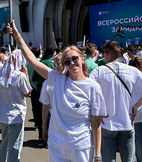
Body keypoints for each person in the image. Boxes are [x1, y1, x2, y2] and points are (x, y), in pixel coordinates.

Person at [8, 20, 106, 162]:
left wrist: (97, 154)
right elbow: (33, 61)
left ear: (82, 59)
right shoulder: (57, 79)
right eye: (67, 61)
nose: (72, 63)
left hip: (81, 146)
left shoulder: (93, 87)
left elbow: (96, 123)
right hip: (57, 144)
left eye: (75, 58)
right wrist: (18, 37)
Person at [89, 41, 142, 162]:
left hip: (107, 122)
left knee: (108, 159)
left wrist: (97, 110)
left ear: (107, 54)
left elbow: (88, 90)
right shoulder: (132, 70)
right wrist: (136, 106)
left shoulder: (98, 71)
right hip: (127, 121)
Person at [0, 58, 32, 162]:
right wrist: (26, 74)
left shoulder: (2, 74)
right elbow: (27, 92)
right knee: (15, 146)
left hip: (3, 115)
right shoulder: (19, 76)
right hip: (16, 115)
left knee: (5, 143)